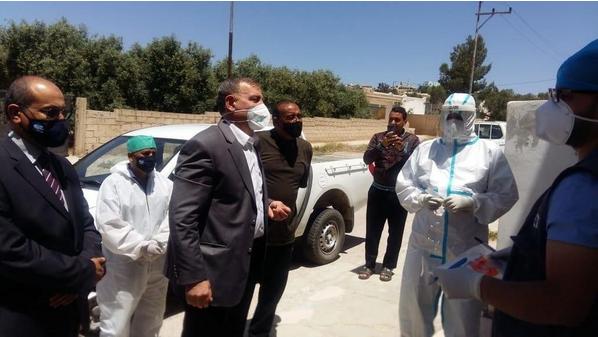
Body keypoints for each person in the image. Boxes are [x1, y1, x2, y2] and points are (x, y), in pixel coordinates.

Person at [434, 39, 598, 337]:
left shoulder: (582, 187)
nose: (554, 106)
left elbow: (564, 303)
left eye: (566, 96)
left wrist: (476, 285)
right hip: (427, 246)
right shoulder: (428, 149)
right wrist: (520, 255)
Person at [165, 77, 291, 337]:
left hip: (244, 263)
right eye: (255, 99)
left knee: (233, 329)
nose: (263, 106)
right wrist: (194, 277)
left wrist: (267, 204)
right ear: (232, 103)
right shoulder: (206, 145)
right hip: (212, 272)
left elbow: (238, 190)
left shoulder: (252, 142)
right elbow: (182, 218)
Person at [396, 93, 519, 337]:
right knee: (414, 309)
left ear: (472, 117)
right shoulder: (426, 150)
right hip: (423, 246)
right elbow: (404, 184)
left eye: (460, 115)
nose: (453, 120)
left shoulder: (489, 153)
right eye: (449, 114)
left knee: (463, 316)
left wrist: (474, 203)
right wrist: (420, 199)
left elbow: (506, 194)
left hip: (465, 250)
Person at [0, 75, 105, 336]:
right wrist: (81, 272)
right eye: (51, 112)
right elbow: (10, 249)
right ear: (16, 113)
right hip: (21, 316)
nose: (61, 121)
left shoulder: (62, 166)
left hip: (69, 312)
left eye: (63, 112)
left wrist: (80, 277)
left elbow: (85, 225)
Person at [95, 135, 172, 337]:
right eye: (144, 154)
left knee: (152, 320)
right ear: (130, 156)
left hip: (157, 262)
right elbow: (109, 223)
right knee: (116, 323)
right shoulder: (113, 184)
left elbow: (172, 217)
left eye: (153, 153)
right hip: (124, 265)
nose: (150, 157)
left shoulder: (165, 184)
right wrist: (140, 246)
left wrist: (159, 243)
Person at [249, 100, 313, 337]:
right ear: (275, 120)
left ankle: (260, 331)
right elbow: (244, 184)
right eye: (290, 117)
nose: (296, 121)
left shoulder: (305, 148)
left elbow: (301, 182)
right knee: (243, 289)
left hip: (284, 233)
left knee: (273, 290)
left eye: (299, 116)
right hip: (254, 233)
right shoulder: (258, 143)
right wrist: (267, 204)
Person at [359, 106, 420, 281]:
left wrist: (403, 150)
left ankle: (388, 266)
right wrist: (381, 146)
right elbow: (366, 159)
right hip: (378, 191)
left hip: (399, 194)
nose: (393, 123)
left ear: (405, 122)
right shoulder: (378, 137)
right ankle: (369, 264)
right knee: (372, 230)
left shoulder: (413, 141)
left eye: (397, 120)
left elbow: (417, 165)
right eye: (391, 119)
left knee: (395, 233)